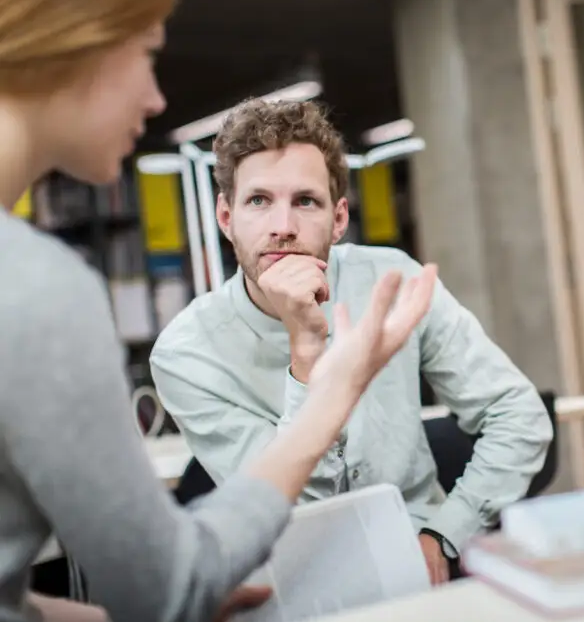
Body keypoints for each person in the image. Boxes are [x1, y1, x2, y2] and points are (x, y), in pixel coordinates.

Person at [0, 0, 436, 621]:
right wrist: (335, 387)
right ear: (74, 43)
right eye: (146, 54)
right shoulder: (37, 289)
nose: (155, 97)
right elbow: (168, 585)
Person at [149, 98, 553, 585]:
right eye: (259, 201)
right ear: (225, 216)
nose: (283, 227)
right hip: (300, 583)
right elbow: (293, 512)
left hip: (424, 566)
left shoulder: (392, 279)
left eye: (306, 201)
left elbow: (520, 416)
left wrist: (447, 533)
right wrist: (305, 354)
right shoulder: (186, 354)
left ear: (338, 219)